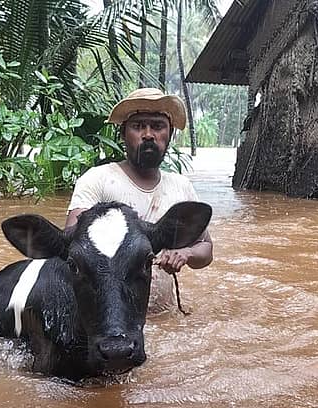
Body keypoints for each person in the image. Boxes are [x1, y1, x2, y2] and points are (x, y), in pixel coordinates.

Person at [65, 88, 213, 312]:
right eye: (138, 126)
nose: (148, 134)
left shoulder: (181, 187)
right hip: (108, 319)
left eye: (157, 126)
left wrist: (186, 253)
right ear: (123, 134)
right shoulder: (98, 180)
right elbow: (72, 243)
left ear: (169, 135)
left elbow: (206, 248)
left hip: (163, 317)